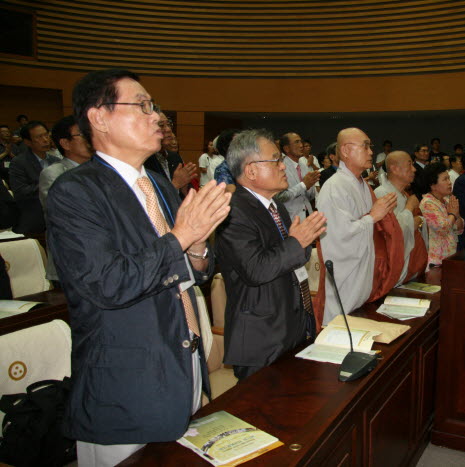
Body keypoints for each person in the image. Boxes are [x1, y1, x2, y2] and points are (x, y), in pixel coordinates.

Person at [46, 68, 230, 466]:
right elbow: (107, 283)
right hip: (127, 385)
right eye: (143, 106)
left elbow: (191, 273)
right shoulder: (77, 191)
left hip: (184, 361)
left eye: (155, 107)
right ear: (99, 117)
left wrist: (197, 247)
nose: (156, 117)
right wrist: (181, 238)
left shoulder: (159, 185)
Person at [216, 129, 326, 381]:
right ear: (251, 170)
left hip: (291, 327)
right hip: (261, 338)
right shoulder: (233, 212)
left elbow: (293, 257)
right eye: (275, 160)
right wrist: (297, 242)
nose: (282, 167)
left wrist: (300, 243)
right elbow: (256, 270)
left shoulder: (275, 207)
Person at [315, 127, 401, 326]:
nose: (371, 152)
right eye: (365, 146)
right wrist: (373, 217)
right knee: (343, 334)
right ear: (345, 150)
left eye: (370, 147)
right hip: (346, 280)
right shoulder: (333, 187)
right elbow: (338, 237)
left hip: (364, 277)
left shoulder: (363, 184)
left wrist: (382, 215)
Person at [38, 115, 93, 283]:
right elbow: (66, 216)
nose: (90, 139)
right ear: (65, 143)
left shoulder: (101, 171)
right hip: (72, 261)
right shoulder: (54, 174)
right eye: (82, 135)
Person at [375, 151, 428, 285]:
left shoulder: (404, 194)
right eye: (409, 165)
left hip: (413, 265)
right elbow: (390, 233)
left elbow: (418, 223)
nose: (414, 169)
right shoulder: (382, 194)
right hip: (394, 269)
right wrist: (409, 209)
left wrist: (421, 221)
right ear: (394, 168)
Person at [9, 121, 61, 234]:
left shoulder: (56, 161)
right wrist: (46, 184)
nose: (45, 140)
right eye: (39, 137)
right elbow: (20, 192)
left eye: (46, 135)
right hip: (35, 217)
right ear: (27, 142)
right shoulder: (19, 163)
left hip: (59, 217)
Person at [419, 162, 464, 268]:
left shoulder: (447, 201)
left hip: (450, 256)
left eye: (449, 178)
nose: (449, 182)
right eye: (445, 179)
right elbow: (442, 229)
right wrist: (453, 214)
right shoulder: (428, 203)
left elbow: (459, 229)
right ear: (433, 185)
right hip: (436, 260)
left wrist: (456, 214)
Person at [275, 132, 319, 220]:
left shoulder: (303, 164)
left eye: (301, 142)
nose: (301, 145)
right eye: (297, 142)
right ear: (287, 148)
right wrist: (303, 185)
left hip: (307, 213)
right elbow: (280, 197)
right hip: (291, 218)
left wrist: (310, 186)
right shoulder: (281, 167)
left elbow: (310, 196)